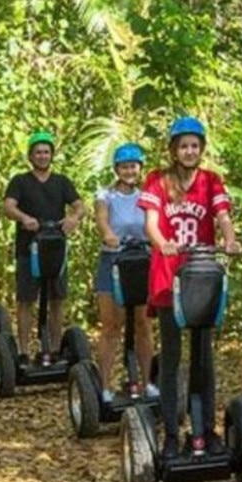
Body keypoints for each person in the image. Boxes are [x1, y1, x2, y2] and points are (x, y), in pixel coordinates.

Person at [138, 115, 240, 460]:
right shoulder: (157, 180)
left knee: (203, 358)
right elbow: (151, 222)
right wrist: (163, 242)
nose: (189, 151)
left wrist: (229, 239)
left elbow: (223, 215)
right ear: (173, 149)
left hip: (202, 275)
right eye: (183, 146)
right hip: (169, 277)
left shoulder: (211, 181)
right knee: (171, 357)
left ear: (201, 149)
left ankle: (206, 431)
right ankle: (170, 434)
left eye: (195, 145)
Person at [3, 130, 85, 359]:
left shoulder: (61, 182)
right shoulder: (20, 181)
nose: (42, 156)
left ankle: (56, 348)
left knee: (58, 299)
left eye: (46, 152)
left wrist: (72, 218)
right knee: (26, 299)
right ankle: (23, 351)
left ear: (52, 155)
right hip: (28, 249)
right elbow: (8, 206)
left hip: (55, 251)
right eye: (38, 152)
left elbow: (80, 206)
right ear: (30, 156)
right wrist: (23, 218)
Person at [94, 143, 157, 404]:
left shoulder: (147, 196)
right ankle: (105, 386)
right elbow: (101, 219)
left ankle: (147, 383)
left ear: (140, 168)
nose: (129, 171)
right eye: (124, 166)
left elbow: (155, 224)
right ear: (117, 169)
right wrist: (108, 234)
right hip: (113, 261)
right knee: (111, 325)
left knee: (143, 324)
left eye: (133, 166)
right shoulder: (105, 195)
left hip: (142, 262)